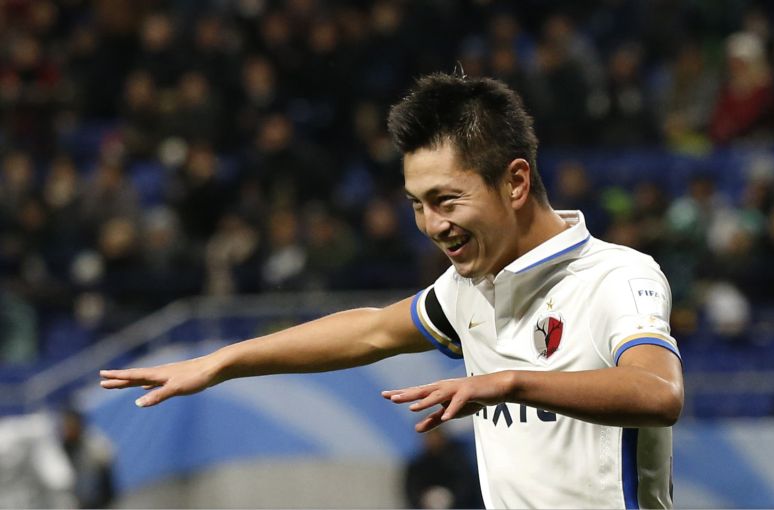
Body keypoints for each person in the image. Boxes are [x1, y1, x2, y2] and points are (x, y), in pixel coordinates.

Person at [100, 72, 684, 509]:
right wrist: (224, 361)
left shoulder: (616, 277)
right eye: (417, 206)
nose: (432, 226)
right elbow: (371, 330)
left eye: (446, 200)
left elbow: (659, 393)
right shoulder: (469, 288)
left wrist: (508, 383)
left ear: (515, 181)